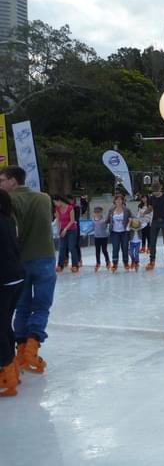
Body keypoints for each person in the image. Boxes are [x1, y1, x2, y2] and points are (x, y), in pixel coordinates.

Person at [0, 166, 56, 374]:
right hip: (45, 258)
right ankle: (31, 349)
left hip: (20, 261)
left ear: (13, 181)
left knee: (22, 308)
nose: (0, 185)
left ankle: (21, 351)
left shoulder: (10, 201)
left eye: (2, 180)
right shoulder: (44, 198)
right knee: (41, 306)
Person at [0, 189, 25, 397]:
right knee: (4, 322)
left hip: (5, 279)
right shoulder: (8, 220)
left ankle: (6, 373)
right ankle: (12, 367)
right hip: (16, 276)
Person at [145, 184, 164, 270]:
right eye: (154, 191)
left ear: (160, 189)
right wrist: (144, 212)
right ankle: (152, 261)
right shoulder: (151, 198)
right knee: (152, 242)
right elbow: (150, 208)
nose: (155, 193)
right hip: (155, 221)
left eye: (156, 191)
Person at [54, 195, 80, 273]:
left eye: (55, 202)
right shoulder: (57, 209)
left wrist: (65, 229)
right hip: (63, 230)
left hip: (72, 230)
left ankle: (75, 265)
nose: (55, 204)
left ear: (59, 201)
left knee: (71, 247)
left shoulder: (70, 208)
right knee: (62, 247)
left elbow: (72, 220)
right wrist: (59, 231)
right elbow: (58, 220)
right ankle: (60, 265)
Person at [107, 195, 132, 272]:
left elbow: (132, 217)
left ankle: (126, 263)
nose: (118, 201)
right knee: (115, 248)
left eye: (120, 200)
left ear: (122, 201)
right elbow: (107, 219)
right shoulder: (111, 210)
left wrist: (138, 221)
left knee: (125, 247)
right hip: (115, 232)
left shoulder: (126, 210)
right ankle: (115, 264)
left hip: (124, 232)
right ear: (114, 201)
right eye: (117, 200)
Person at [92, 206, 111, 272]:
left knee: (104, 250)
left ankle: (107, 261)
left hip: (104, 237)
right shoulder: (93, 220)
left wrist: (108, 231)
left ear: (101, 212)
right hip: (96, 237)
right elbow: (92, 227)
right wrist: (86, 233)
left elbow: (108, 225)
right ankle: (98, 263)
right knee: (97, 251)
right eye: (96, 212)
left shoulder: (104, 220)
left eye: (98, 212)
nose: (97, 214)